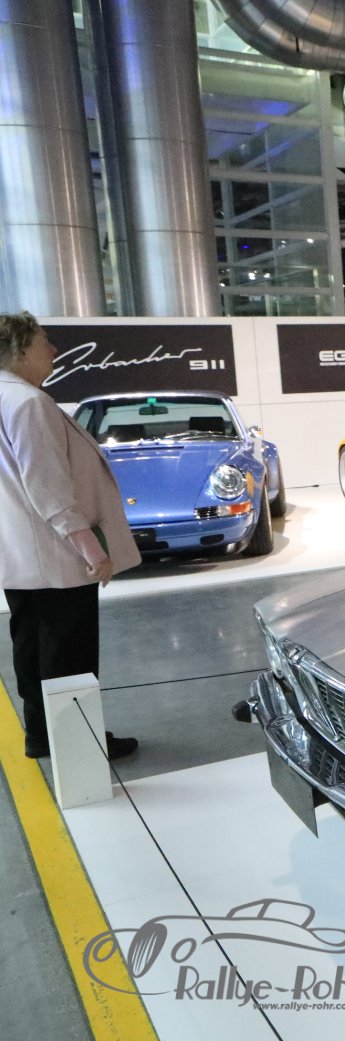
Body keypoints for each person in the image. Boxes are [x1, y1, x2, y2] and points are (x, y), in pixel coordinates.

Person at [0, 312, 141, 761]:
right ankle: (77, 747)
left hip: (20, 555)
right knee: (69, 656)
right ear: (20, 350)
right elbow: (48, 487)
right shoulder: (28, 403)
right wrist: (91, 549)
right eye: (43, 341)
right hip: (56, 556)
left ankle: (43, 736)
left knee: (32, 648)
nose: (53, 349)